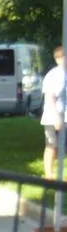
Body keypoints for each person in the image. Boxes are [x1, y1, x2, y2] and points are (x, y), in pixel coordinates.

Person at [41, 46, 66, 180]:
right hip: (53, 117)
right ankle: (49, 175)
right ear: (58, 59)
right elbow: (49, 98)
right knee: (52, 145)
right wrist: (56, 118)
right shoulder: (53, 75)